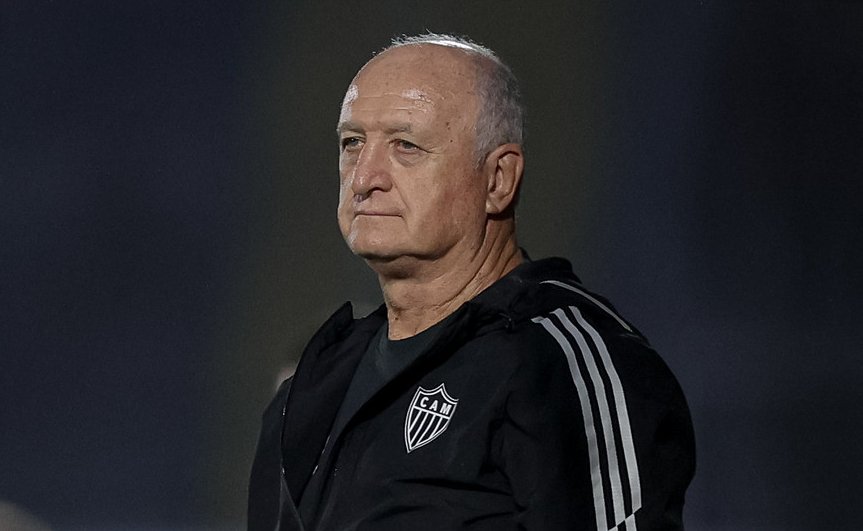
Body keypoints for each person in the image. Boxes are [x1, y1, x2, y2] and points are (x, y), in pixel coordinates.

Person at [248, 33, 695, 531]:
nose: (364, 178)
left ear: (498, 179)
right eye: (352, 143)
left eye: (406, 146)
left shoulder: (561, 361)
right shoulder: (310, 385)